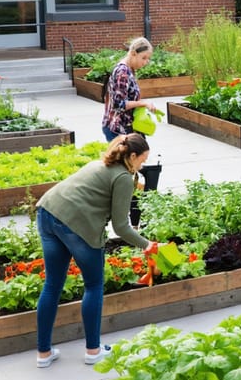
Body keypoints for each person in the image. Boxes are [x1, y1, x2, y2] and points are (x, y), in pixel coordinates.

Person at [35, 133, 158, 368]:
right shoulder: (123, 177)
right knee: (93, 285)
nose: (142, 165)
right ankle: (93, 351)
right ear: (131, 156)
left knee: (52, 285)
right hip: (77, 226)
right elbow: (121, 227)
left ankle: (43, 353)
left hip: (48, 212)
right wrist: (148, 245)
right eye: (142, 160)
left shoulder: (100, 164)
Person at [101, 37, 160, 141]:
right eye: (144, 58)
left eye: (148, 58)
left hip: (125, 127)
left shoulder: (129, 70)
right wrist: (143, 103)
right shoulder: (122, 72)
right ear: (133, 53)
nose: (146, 62)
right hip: (117, 128)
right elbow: (118, 104)